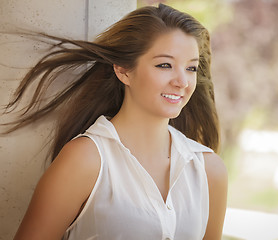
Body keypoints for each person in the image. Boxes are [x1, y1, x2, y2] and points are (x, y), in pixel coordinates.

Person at [5, 3, 228, 240]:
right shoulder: (85, 160)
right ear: (123, 71)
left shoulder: (209, 171)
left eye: (191, 68)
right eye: (165, 65)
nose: (182, 81)